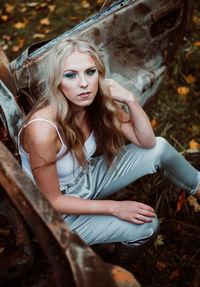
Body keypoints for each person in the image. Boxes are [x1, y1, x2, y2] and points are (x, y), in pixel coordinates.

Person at [17, 37, 200, 267]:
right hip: (56, 214)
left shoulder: (95, 100)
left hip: (86, 180)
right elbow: (52, 200)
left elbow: (148, 142)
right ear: (56, 81)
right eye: (71, 75)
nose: (84, 83)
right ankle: (112, 272)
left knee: (160, 147)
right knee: (147, 226)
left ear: (99, 74)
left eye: (90, 72)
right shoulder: (43, 129)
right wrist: (115, 208)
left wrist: (130, 100)